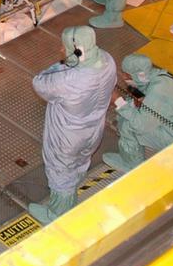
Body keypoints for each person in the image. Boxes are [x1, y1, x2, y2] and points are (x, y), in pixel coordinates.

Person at [28, 25, 116, 223]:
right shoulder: (107, 60)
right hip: (94, 129)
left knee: (60, 170)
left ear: (78, 51)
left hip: (67, 137)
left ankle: (59, 213)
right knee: (81, 160)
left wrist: (65, 63)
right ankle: (73, 189)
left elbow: (39, 82)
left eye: (65, 47)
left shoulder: (68, 78)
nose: (61, 50)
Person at [103, 53, 173, 172]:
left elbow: (141, 125)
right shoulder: (157, 78)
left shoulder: (158, 91)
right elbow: (145, 96)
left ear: (134, 75)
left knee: (127, 124)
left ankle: (132, 165)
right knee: (129, 111)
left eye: (126, 75)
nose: (123, 77)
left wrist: (118, 101)